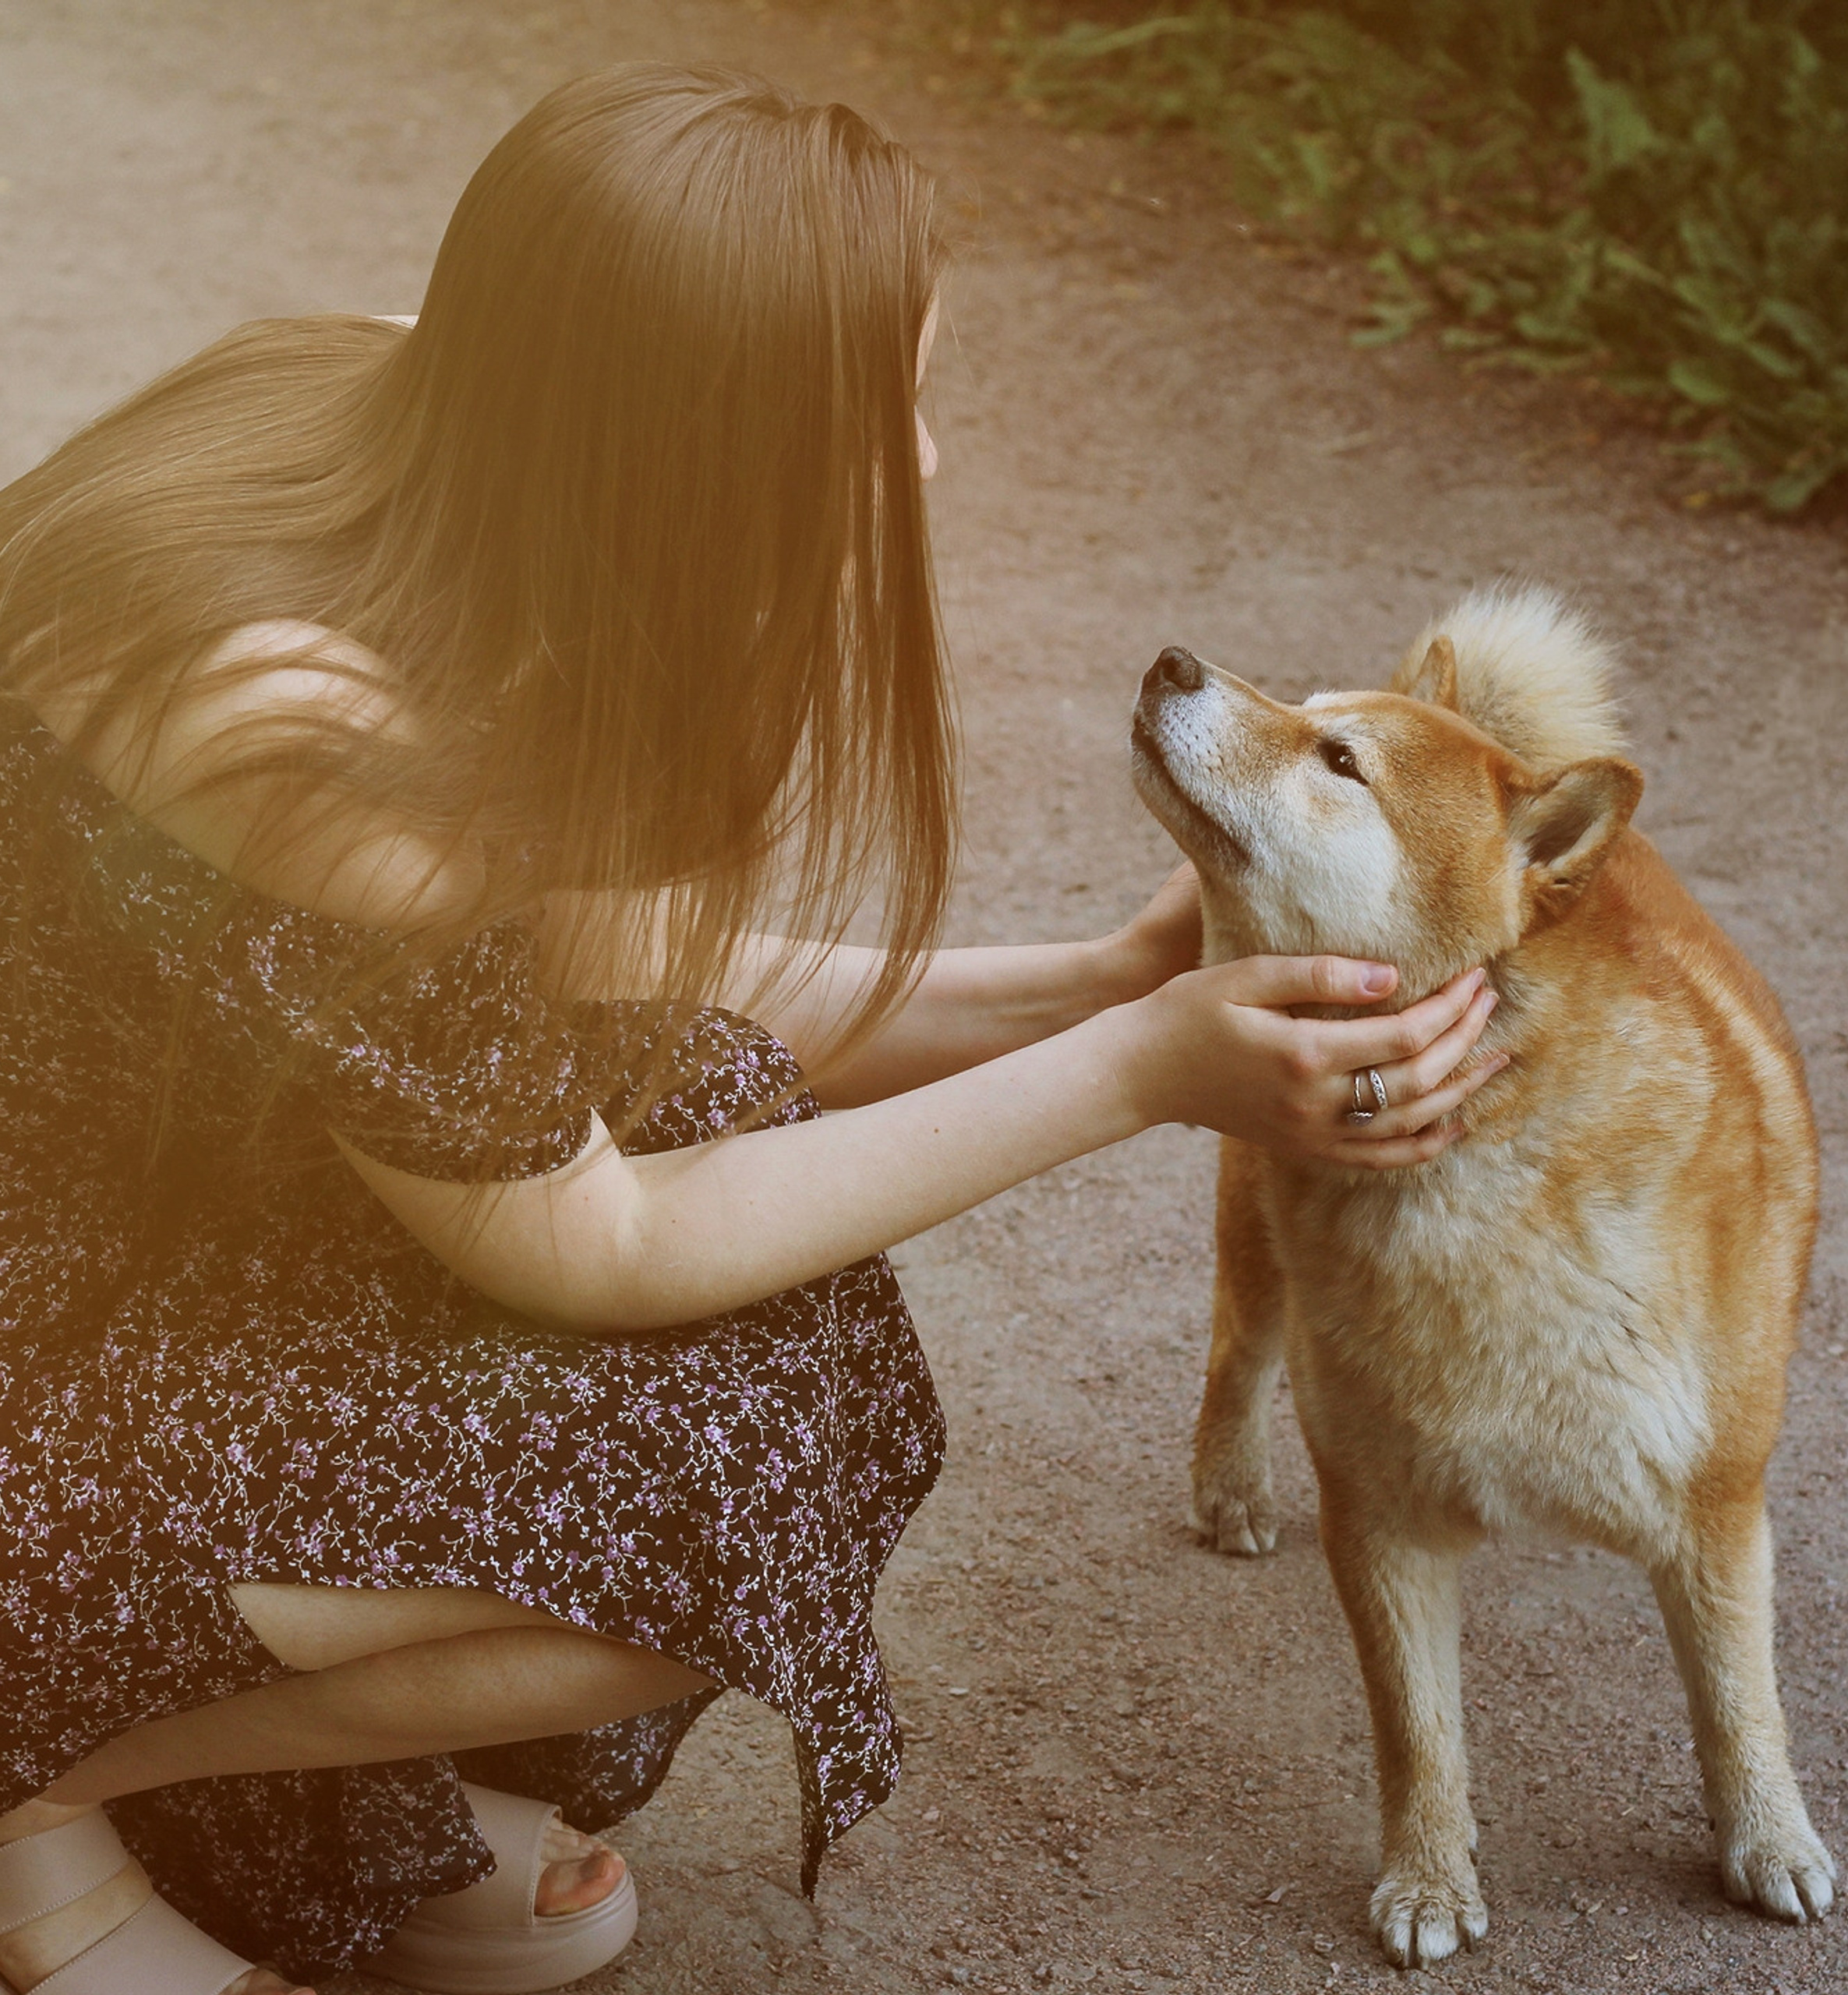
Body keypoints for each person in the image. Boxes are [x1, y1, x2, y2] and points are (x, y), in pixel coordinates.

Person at [0, 62, 1503, 1995]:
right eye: (886, 405)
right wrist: (1144, 1071)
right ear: (696, 438)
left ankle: (228, 1777)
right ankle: (45, 1786)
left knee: (750, 1286)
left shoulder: (421, 416)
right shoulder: (312, 739)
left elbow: (596, 974)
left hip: (144, 1203)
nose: (928, 462)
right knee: (705, 1496)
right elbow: (604, 1235)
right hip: (51, 1315)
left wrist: (1093, 982)